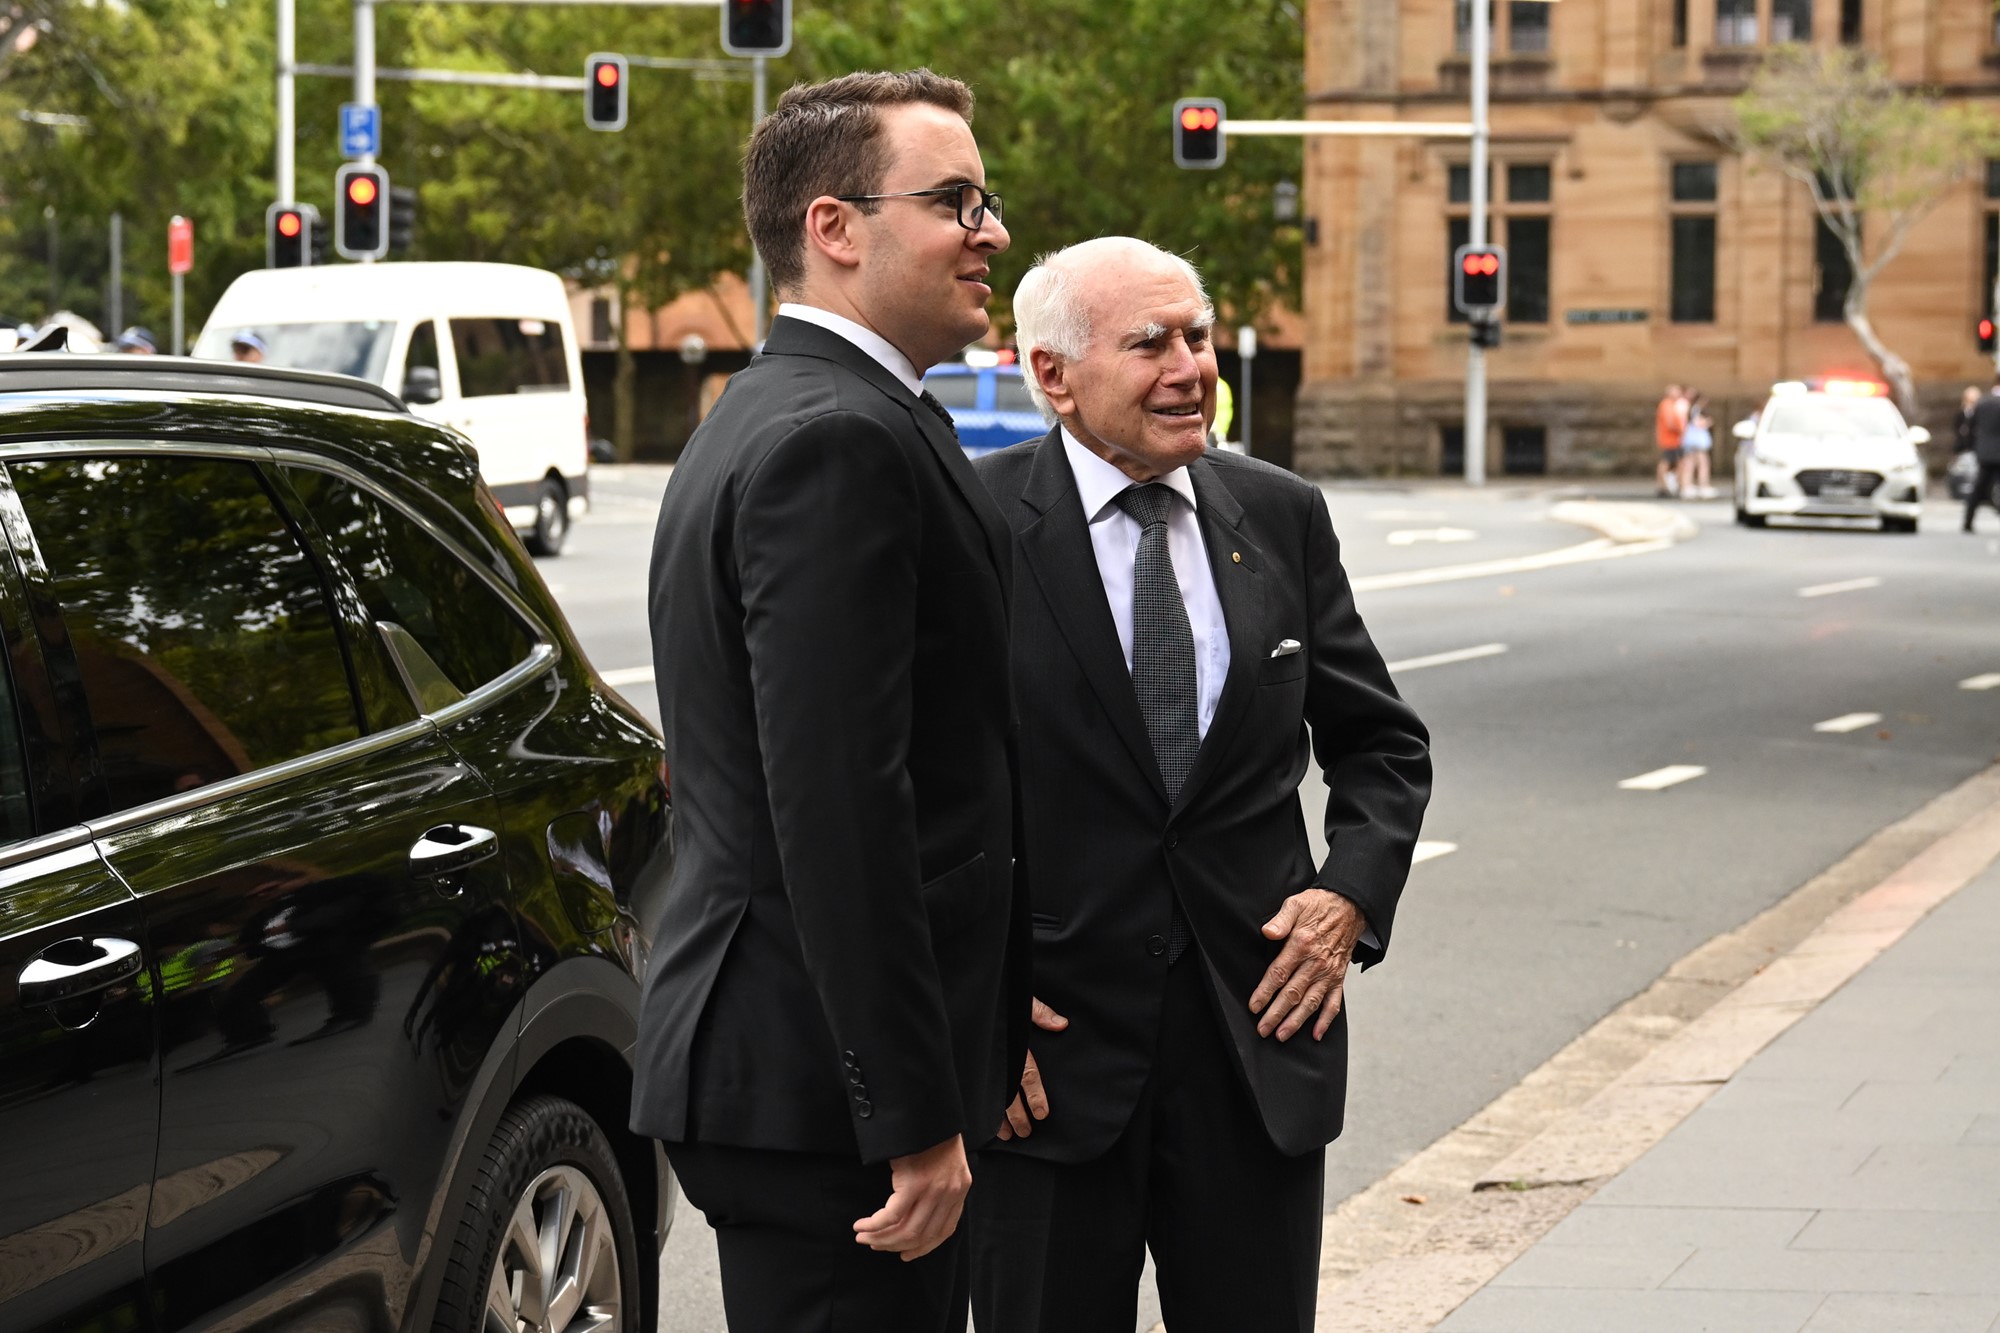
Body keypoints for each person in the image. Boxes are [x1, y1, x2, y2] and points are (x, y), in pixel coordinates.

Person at [966, 237, 1433, 1333]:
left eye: (1197, 336)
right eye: (1148, 343)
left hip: (1254, 1050)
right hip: (1042, 1070)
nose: (1188, 367)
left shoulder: (1278, 515)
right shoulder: (973, 525)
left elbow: (1379, 743)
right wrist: (966, 989)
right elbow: (912, 783)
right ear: (1051, 375)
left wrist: (1347, 896)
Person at [632, 69, 1027, 1332]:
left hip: (808, 1072)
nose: (991, 231)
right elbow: (839, 804)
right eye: (954, 200)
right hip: (822, 1091)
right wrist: (909, 1115)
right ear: (833, 227)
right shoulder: (833, 439)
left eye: (988, 198)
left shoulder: (800, 410)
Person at [1965, 373, 2000, 533]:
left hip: (1985, 452)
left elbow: (1970, 426)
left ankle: (1968, 521)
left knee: (1978, 488)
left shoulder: (1983, 402)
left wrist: (1977, 445)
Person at [1678, 389, 1714, 499]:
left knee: (1691, 464)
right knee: (1701, 464)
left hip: (1692, 441)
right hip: (1696, 441)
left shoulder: (1691, 409)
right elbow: (1698, 423)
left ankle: (1687, 486)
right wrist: (1708, 422)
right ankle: (1701, 486)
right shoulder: (1695, 410)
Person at [1655, 382, 1686, 497]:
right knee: (1666, 462)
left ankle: (1672, 485)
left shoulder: (1673, 404)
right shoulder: (1666, 404)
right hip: (1670, 439)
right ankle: (1663, 486)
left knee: (1676, 463)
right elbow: (1670, 422)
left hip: (1675, 439)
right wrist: (1680, 430)